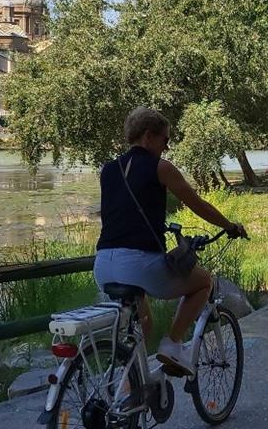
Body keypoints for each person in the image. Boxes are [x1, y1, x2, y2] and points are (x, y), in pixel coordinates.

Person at [93, 107, 246, 376]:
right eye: (165, 140)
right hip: (139, 263)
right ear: (149, 136)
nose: (167, 146)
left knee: (145, 325)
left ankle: (128, 395)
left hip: (104, 263)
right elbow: (198, 204)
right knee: (203, 281)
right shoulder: (160, 167)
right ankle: (173, 345)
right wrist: (229, 225)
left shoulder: (108, 170)